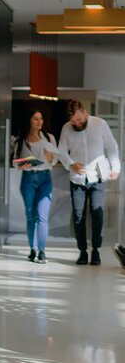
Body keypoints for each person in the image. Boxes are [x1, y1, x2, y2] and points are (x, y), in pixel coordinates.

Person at [58, 99, 121, 265]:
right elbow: (62, 151)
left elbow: (112, 146)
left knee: (96, 212)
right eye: (73, 121)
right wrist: (71, 164)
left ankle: (96, 251)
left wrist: (115, 167)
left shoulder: (100, 124)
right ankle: (82, 251)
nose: (77, 123)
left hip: (98, 176)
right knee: (78, 216)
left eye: (79, 119)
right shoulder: (66, 128)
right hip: (77, 178)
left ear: (85, 113)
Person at [12, 109, 58, 264]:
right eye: (35, 119)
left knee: (42, 216)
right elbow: (15, 160)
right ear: (29, 121)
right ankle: (33, 248)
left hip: (45, 178)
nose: (39, 122)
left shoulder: (49, 138)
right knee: (31, 216)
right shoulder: (22, 139)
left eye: (41, 119)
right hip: (28, 179)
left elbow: (54, 160)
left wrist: (50, 156)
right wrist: (20, 166)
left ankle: (42, 251)